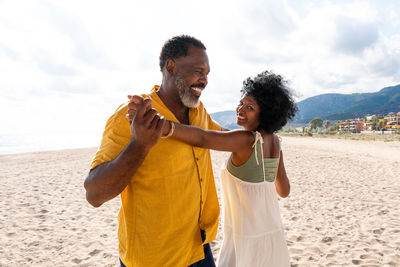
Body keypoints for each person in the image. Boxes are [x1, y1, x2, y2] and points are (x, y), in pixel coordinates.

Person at [128, 70, 297, 266]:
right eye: (241, 103)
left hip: (246, 237)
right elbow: (284, 191)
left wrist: (161, 124)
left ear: (266, 113)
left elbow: (203, 138)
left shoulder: (245, 141)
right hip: (272, 232)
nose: (240, 109)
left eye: (250, 107)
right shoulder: (275, 143)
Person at [84, 35, 224, 267]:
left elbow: (218, 136)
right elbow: (94, 195)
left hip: (198, 248)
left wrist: (258, 131)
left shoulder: (199, 112)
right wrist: (139, 145)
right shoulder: (130, 117)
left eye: (207, 74)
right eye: (199, 71)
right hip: (152, 258)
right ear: (171, 67)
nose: (205, 80)